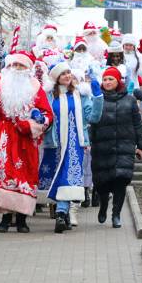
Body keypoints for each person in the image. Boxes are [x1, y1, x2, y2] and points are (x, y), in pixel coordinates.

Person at [0, 52, 54, 233]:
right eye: (14, 65)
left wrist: (31, 124)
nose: (17, 69)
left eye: (21, 66)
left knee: (25, 175)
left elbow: (48, 115)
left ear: (28, 69)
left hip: (26, 139)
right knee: (2, 173)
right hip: (5, 136)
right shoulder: (1, 85)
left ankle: (21, 218)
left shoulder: (35, 88)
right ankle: (5, 216)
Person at [38, 61, 103, 232]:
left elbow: (94, 118)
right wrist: (39, 118)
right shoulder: (49, 96)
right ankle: (63, 214)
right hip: (55, 144)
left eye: (68, 72)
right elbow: (46, 118)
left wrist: (98, 98)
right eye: (63, 73)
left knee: (69, 176)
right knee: (60, 178)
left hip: (76, 144)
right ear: (56, 78)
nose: (67, 76)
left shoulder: (81, 95)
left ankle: (60, 213)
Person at [90, 66, 142, 228]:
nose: (107, 82)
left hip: (124, 147)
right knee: (102, 183)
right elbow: (91, 123)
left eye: (110, 79)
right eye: (105, 79)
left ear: (118, 81)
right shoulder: (97, 99)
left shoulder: (130, 100)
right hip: (102, 148)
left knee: (121, 181)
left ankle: (116, 215)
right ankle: (104, 207)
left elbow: (137, 124)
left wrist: (141, 146)